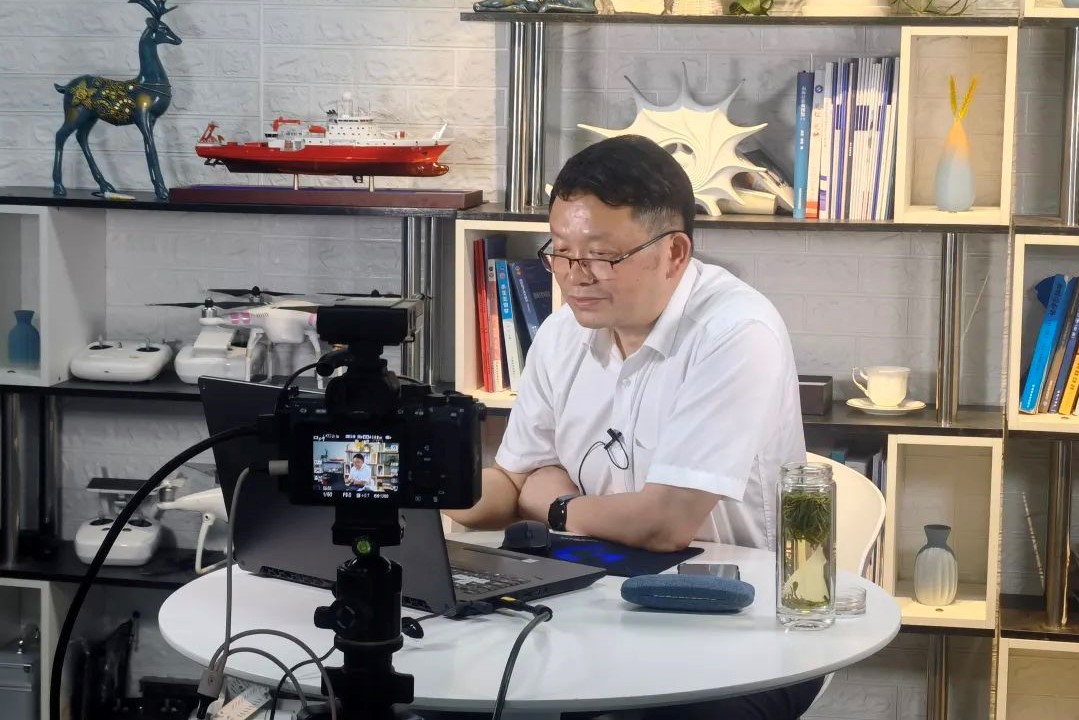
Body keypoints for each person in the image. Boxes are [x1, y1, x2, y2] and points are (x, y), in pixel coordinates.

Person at [446, 135, 819, 719]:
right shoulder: (562, 333)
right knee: (441, 686)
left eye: (601, 255)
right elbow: (513, 483)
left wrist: (558, 506)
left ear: (674, 253)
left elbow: (664, 523)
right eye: (560, 251)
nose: (574, 277)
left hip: (741, 624)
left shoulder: (735, 331)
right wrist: (426, 500)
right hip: (601, 602)